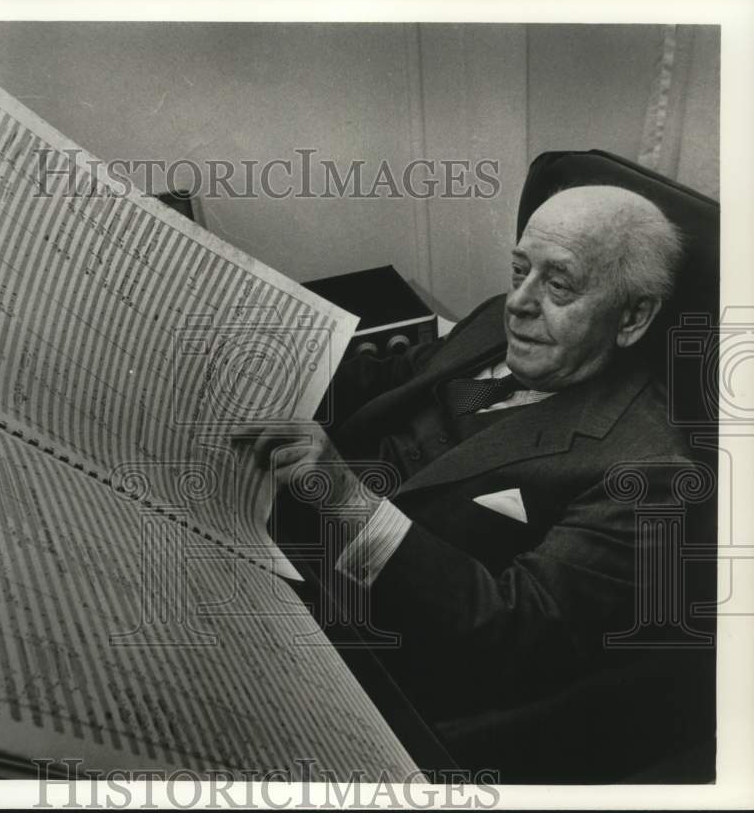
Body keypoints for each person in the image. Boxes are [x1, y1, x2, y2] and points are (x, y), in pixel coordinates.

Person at [235, 185, 709, 776]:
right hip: (272, 527)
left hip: (360, 640)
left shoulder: (645, 470)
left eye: (559, 284)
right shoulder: (501, 326)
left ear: (633, 317)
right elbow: (397, 378)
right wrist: (258, 379)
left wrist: (346, 498)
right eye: (519, 271)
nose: (521, 302)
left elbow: (512, 632)